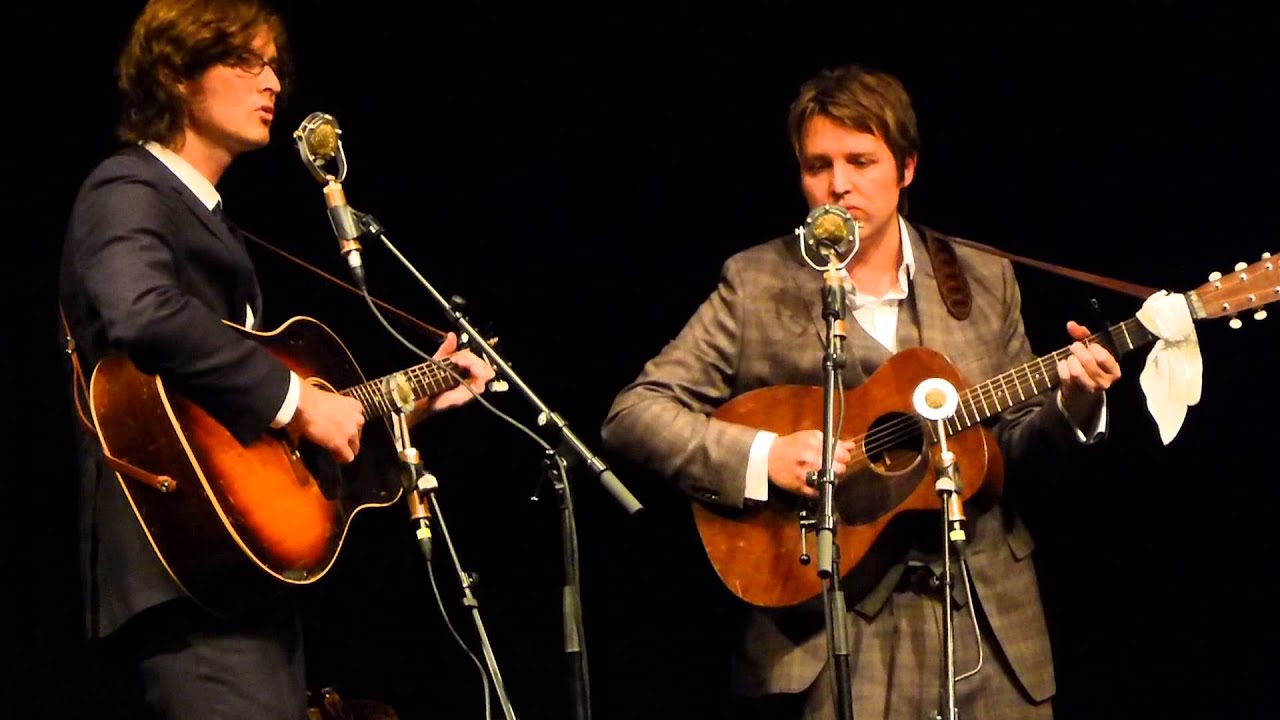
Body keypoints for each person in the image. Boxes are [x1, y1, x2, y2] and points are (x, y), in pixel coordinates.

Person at [600, 64, 1121, 719]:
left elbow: (1012, 449)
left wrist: (1074, 405)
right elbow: (635, 414)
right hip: (830, 631)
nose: (838, 184)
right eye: (817, 165)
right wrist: (765, 456)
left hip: (987, 624)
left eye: (861, 161)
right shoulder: (757, 284)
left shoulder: (983, 279)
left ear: (907, 168)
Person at [56, 1, 494, 718]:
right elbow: (140, 309)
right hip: (184, 570)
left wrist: (411, 404)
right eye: (245, 61)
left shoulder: (211, 221)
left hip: (243, 580)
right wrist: (296, 400)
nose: (272, 83)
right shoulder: (126, 187)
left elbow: (257, 434)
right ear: (174, 74)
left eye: (274, 65)